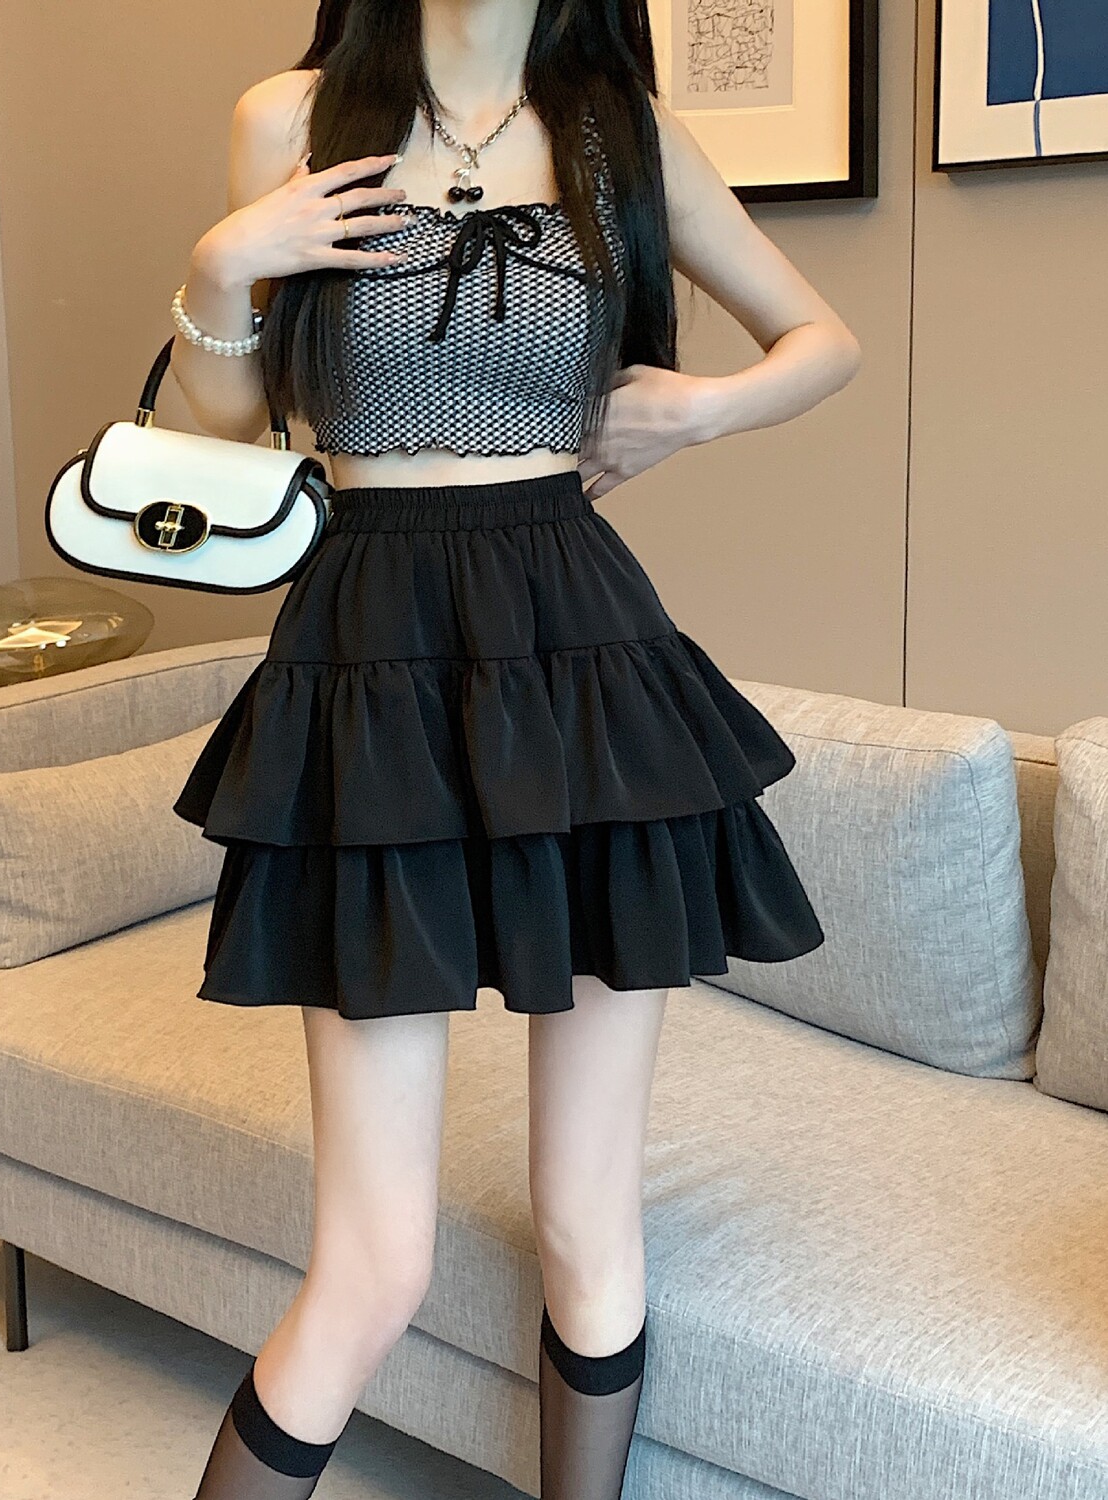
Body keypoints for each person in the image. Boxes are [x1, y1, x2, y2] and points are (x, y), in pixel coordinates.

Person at [168, 2, 860, 1495]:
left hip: (584, 663)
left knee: (586, 1226)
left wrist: (703, 410)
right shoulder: (290, 118)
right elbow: (227, 431)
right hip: (367, 656)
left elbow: (825, 339)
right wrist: (225, 264)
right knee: (373, 1264)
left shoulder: (622, 135)